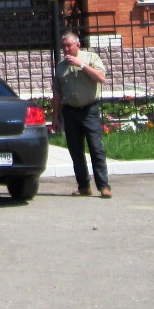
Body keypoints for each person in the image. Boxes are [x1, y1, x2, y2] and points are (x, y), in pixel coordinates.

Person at [55, 30, 109, 197]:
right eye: (63, 46)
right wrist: (56, 117)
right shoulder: (61, 66)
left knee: (96, 149)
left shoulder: (91, 58)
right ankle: (84, 186)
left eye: (68, 46)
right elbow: (57, 94)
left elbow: (101, 78)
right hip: (70, 112)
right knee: (76, 152)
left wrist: (82, 65)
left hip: (89, 110)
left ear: (77, 45)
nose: (65, 49)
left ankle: (104, 186)